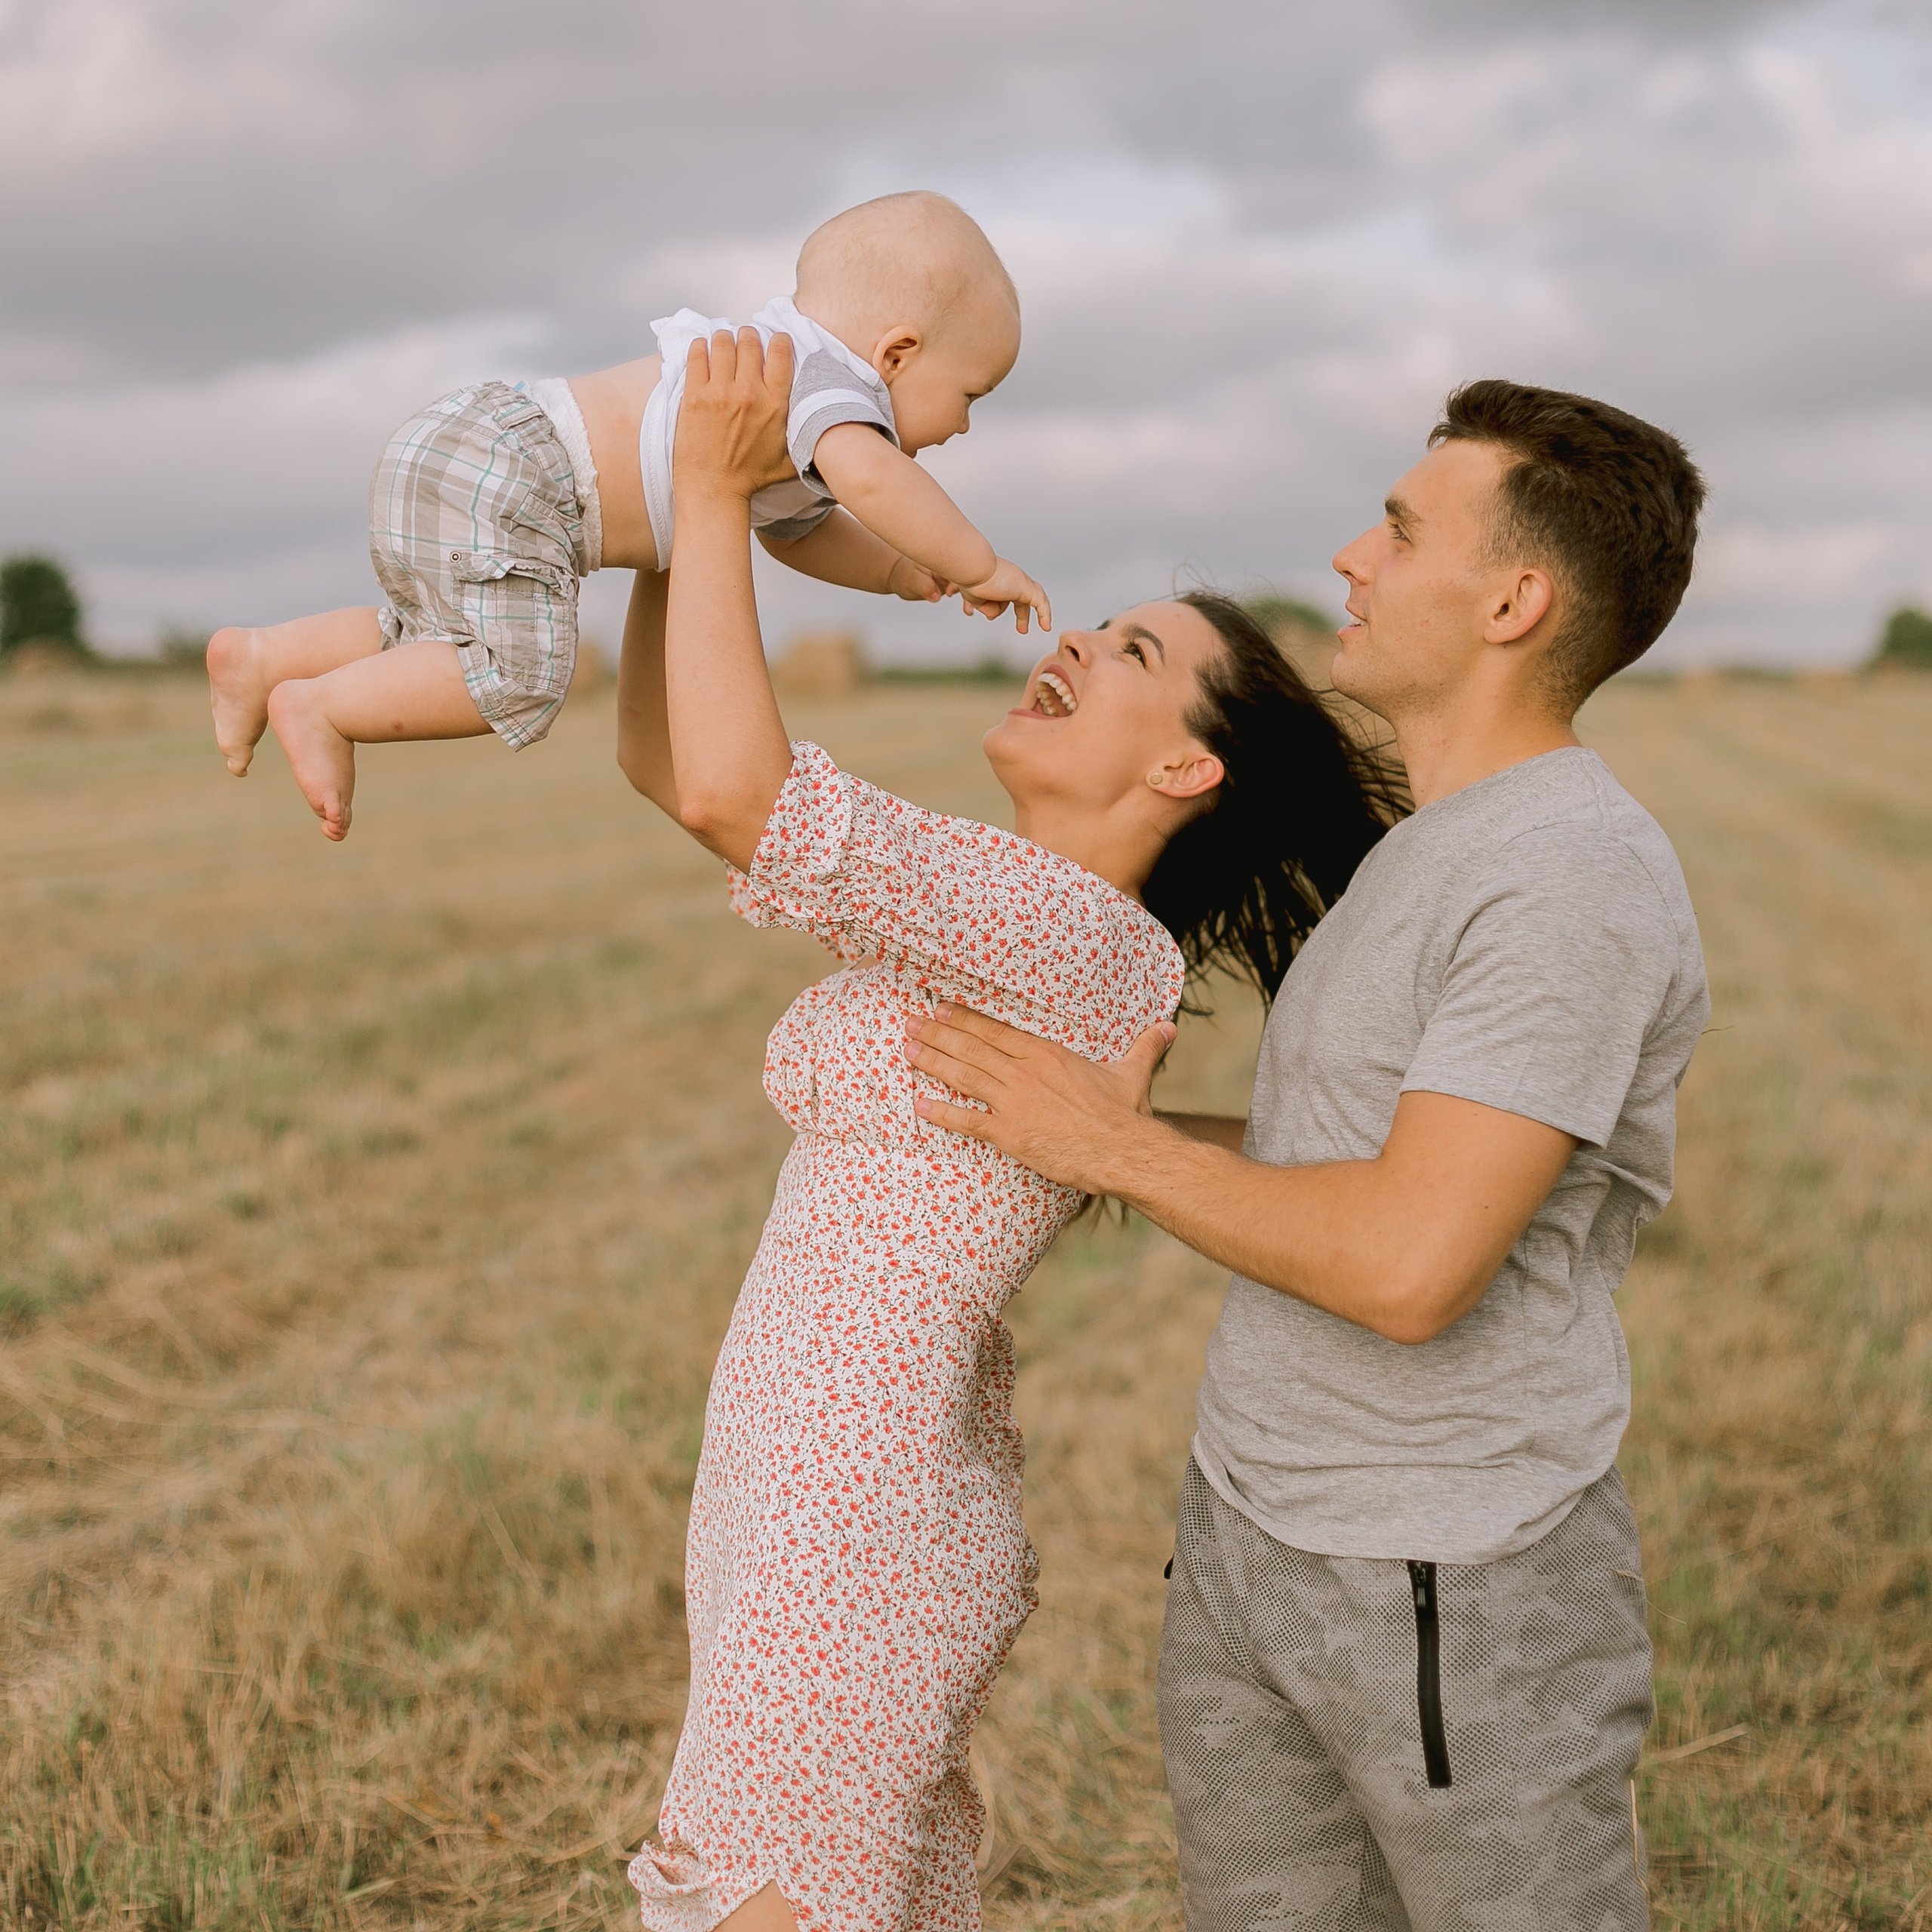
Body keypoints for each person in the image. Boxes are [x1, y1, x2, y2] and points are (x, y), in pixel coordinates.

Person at [614, 326, 1402, 1932]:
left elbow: (734, 796)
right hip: (808, 1487)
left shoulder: (1070, 932)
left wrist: (706, 488)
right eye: (1098, 625)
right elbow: (666, 757)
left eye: (1131, 651)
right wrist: (657, 534)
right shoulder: (1031, 920)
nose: (1077, 641)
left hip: (855, 1517)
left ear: (1184, 760)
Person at [906, 380, 1711, 1929]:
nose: (1352, 555)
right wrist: (1097, 1124)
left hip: (1448, 1574)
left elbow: (1410, 1264)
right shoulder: (1433, 850)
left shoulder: (1563, 880)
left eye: (1400, 530)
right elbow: (1341, 1155)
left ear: (1512, 601)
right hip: (1251, 1533)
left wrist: (1112, 1147)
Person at [204, 192, 1048, 841]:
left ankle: (266, 656)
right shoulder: (826, 380)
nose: (964, 425)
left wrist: (896, 570)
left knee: (437, 647)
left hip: (475, 441)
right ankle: (322, 707)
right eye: (970, 395)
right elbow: (875, 482)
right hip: (528, 475)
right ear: (897, 353)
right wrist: (979, 563)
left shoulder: (787, 401)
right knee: (524, 678)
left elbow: (796, 533)